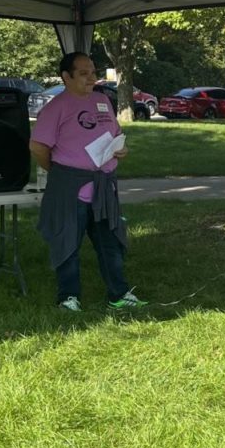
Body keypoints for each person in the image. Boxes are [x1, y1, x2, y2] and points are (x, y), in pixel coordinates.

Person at [31, 52, 147, 312]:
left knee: (110, 241)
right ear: (66, 77)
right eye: (83, 73)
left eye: (93, 72)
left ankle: (119, 294)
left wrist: (122, 150)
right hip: (71, 188)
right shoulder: (56, 107)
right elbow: (38, 146)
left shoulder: (102, 100)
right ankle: (68, 297)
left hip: (103, 186)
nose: (91, 78)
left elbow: (116, 133)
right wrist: (57, 170)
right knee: (67, 241)